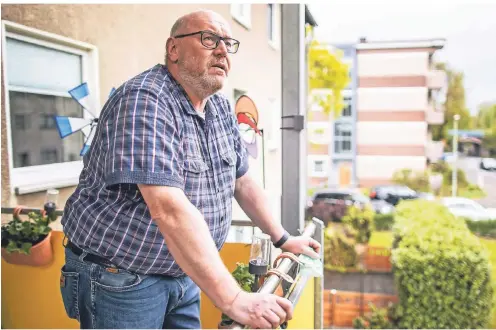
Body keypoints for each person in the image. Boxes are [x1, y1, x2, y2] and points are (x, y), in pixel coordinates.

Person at [58, 9, 321, 329]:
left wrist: (282, 239)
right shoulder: (146, 99)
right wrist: (236, 301)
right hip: (122, 278)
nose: (222, 50)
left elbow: (242, 181)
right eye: (209, 39)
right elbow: (168, 209)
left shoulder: (220, 107)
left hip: (183, 274)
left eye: (228, 43)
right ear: (173, 49)